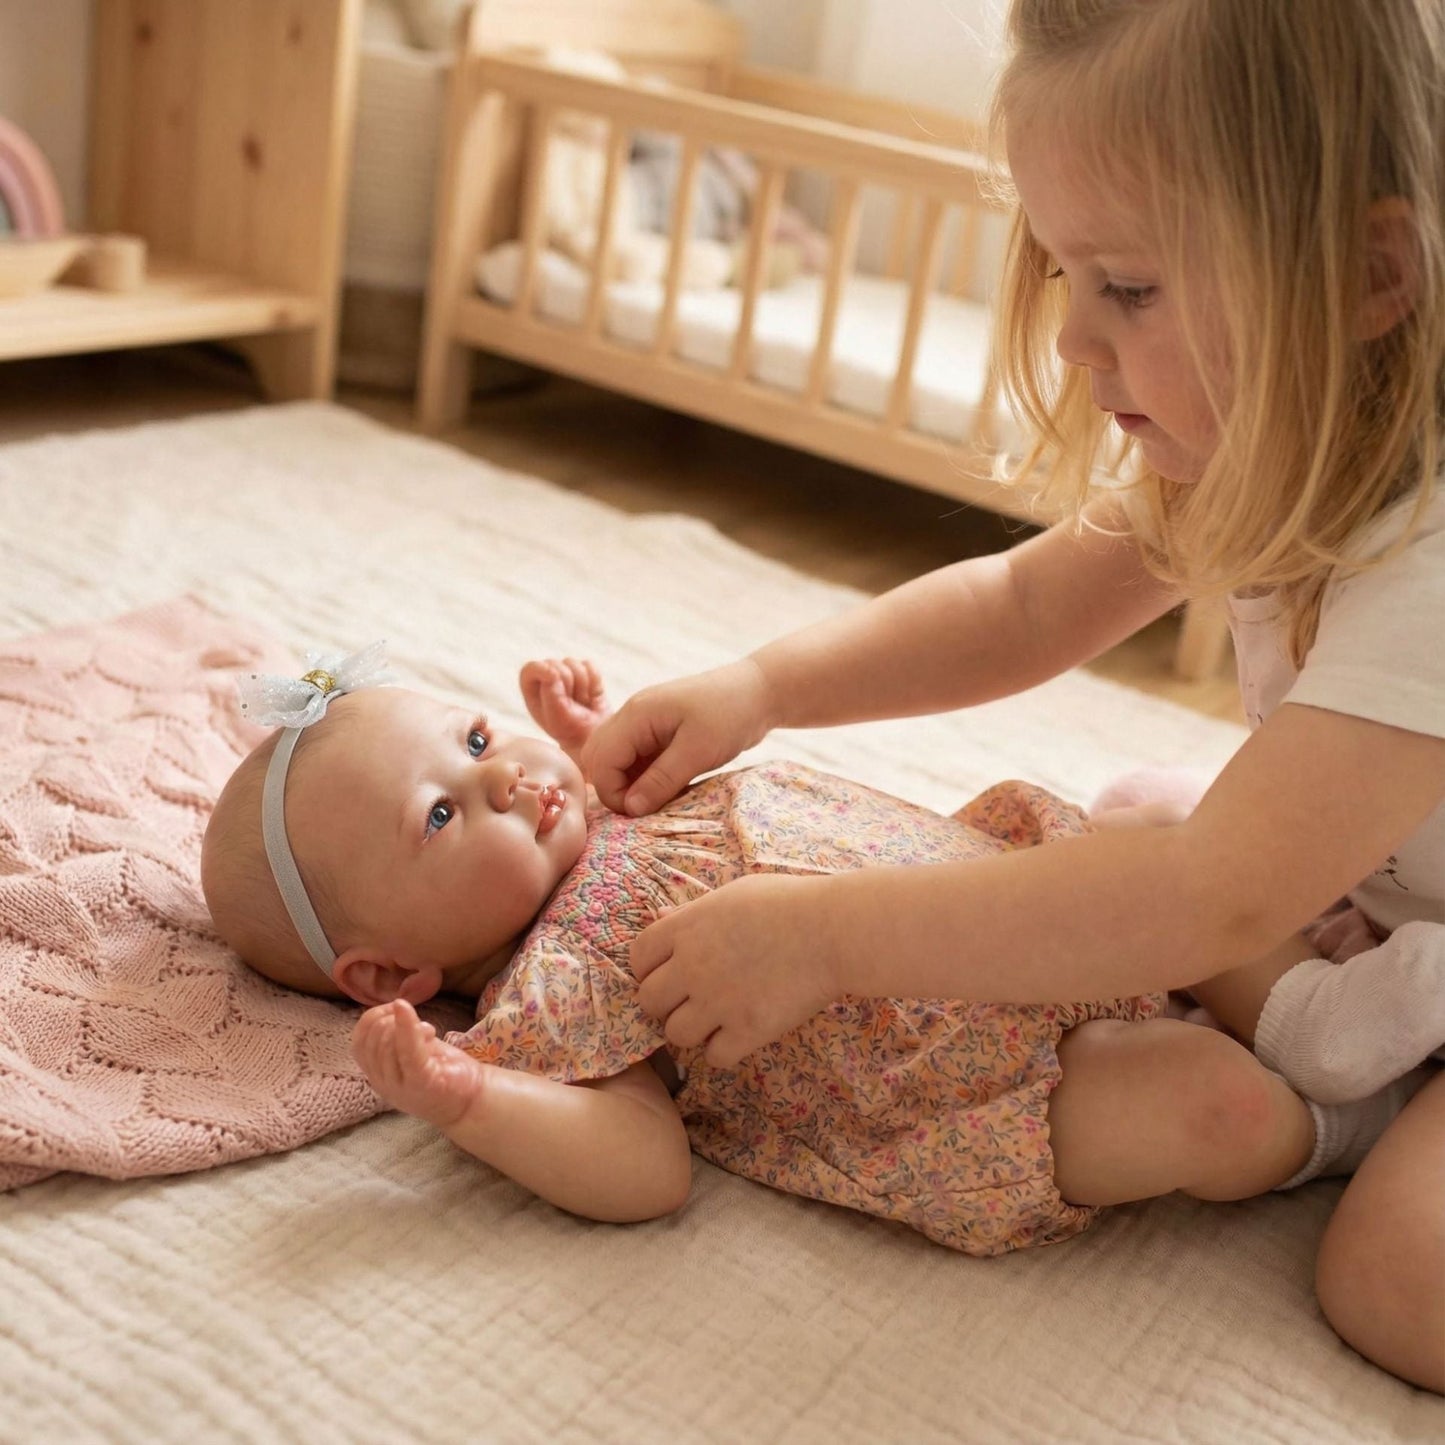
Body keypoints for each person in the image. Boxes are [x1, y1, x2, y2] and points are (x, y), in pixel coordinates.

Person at [580, 0, 1445, 1391]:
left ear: (1365, 274)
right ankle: (1365, 1043)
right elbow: (1023, 606)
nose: (1072, 345)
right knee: (1120, 845)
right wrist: (761, 685)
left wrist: (826, 937)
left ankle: (1371, 1081)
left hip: (1344, 906)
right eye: (1063, 277)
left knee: (1399, 1279)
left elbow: (1210, 897)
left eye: (1130, 288)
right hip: (1389, 906)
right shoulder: (1265, 451)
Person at [203, 651, 1326, 1257]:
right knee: (1210, 1103)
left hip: (1024, 905)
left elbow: (616, 785)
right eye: (441, 816)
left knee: (1170, 851)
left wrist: (594, 743)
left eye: (478, 738)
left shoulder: (612, 806)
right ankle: (1341, 1129)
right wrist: (473, 1099)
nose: (504, 777)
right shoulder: (549, 993)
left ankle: (1336, 1014)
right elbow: (643, 1169)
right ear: (391, 973)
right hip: (979, 1087)